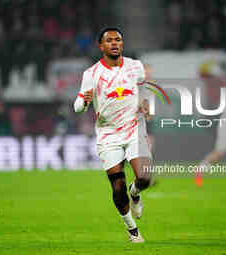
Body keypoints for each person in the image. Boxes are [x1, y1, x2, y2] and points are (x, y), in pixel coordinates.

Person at [74, 28, 152, 243]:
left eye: (118, 40)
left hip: (134, 128)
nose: (115, 43)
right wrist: (84, 101)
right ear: (102, 46)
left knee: (144, 177)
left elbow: (143, 89)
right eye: (109, 40)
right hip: (108, 134)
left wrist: (146, 103)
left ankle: (135, 192)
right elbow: (78, 106)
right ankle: (132, 230)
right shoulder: (91, 74)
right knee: (117, 187)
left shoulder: (136, 66)